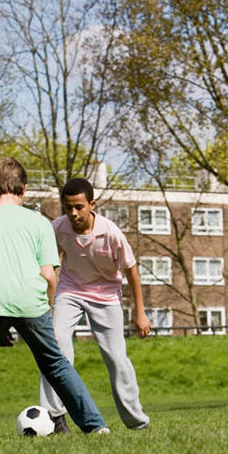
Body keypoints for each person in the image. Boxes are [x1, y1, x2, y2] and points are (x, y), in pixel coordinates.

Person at [0, 158, 109, 442]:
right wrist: (46, 309)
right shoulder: (39, 224)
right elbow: (49, 276)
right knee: (55, 364)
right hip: (29, 303)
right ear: (24, 189)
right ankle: (96, 426)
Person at [39, 177, 151, 434]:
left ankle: (137, 421)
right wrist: (49, 300)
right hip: (70, 290)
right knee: (54, 346)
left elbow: (132, 271)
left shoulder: (110, 232)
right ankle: (55, 418)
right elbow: (51, 262)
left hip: (106, 296)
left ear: (92, 205)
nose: (73, 213)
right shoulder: (58, 227)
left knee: (116, 357)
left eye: (79, 207)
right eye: (68, 207)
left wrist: (141, 314)